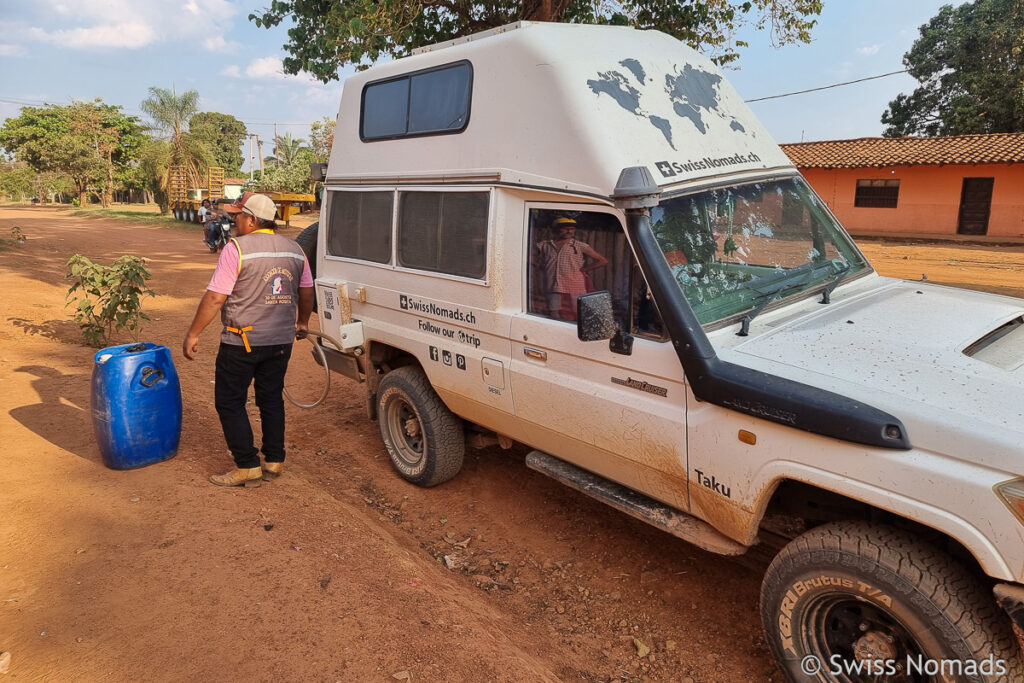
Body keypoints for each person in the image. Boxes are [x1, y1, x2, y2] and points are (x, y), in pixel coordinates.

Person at [182, 192, 315, 487]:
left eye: (238, 216)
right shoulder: (295, 249)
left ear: (253, 220)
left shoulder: (236, 249)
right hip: (280, 342)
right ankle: (274, 460)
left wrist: (193, 334)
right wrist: (302, 322)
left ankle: (247, 465)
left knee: (229, 401)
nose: (234, 220)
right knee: (270, 399)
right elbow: (307, 291)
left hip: (240, 342)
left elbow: (217, 297)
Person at [534, 216, 608, 321]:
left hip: (574, 284)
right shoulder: (544, 245)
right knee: (553, 311)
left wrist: (584, 269)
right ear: (556, 229)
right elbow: (530, 258)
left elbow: (603, 260)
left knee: (577, 311)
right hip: (552, 284)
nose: (569, 231)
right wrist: (539, 265)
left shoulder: (580, 246)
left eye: (572, 229)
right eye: (565, 228)